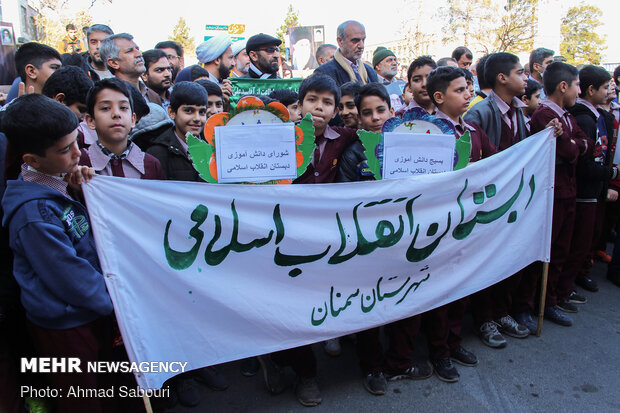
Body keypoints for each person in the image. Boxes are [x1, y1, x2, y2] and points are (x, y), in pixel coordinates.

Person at [1, 94, 113, 413]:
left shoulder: (58, 183)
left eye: (76, 142)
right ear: (32, 160)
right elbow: (71, 278)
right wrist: (118, 302)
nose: (78, 153)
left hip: (88, 312)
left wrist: (80, 188)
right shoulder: (34, 215)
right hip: (65, 325)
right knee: (81, 400)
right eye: (65, 150)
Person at [425, 65, 496, 380]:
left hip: (470, 222)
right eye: (459, 90)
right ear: (438, 97)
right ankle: (438, 351)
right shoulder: (427, 133)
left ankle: (454, 342)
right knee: (441, 288)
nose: (469, 94)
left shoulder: (473, 131)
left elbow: (498, 162)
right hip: (440, 226)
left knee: (462, 286)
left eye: (469, 88)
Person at [464, 52, 535, 344]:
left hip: (514, 201)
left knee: (510, 257)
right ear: (502, 78)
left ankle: (502, 311)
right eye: (521, 72)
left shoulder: (519, 111)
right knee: (487, 262)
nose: (526, 78)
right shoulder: (479, 114)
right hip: (489, 205)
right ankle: (484, 319)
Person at [530, 62, 590, 327]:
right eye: (577, 85)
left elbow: (583, 144)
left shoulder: (567, 115)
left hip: (568, 190)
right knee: (549, 249)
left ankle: (552, 297)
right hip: (552, 191)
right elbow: (566, 152)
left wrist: (573, 142)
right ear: (563, 86)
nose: (578, 91)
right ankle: (540, 301)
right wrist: (572, 144)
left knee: (562, 248)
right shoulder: (544, 115)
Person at [565, 65, 617, 297]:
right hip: (584, 191)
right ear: (591, 90)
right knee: (577, 243)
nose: (610, 91)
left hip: (594, 190)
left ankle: (572, 281)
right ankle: (564, 288)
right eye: (606, 87)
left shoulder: (598, 116)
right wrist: (611, 175)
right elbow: (587, 163)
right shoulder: (584, 120)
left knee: (588, 239)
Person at [80, 78, 165, 180]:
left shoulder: (151, 165)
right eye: (106, 108)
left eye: (123, 108)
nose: (116, 114)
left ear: (133, 119)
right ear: (91, 121)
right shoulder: (79, 162)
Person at [147, 81, 209, 183]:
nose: (197, 118)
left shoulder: (214, 147)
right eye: (189, 111)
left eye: (202, 112)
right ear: (171, 112)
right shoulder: (158, 153)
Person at [314, 20, 378, 86]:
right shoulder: (324, 73)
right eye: (355, 40)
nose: (361, 46)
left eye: (363, 40)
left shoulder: (370, 72)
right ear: (340, 41)